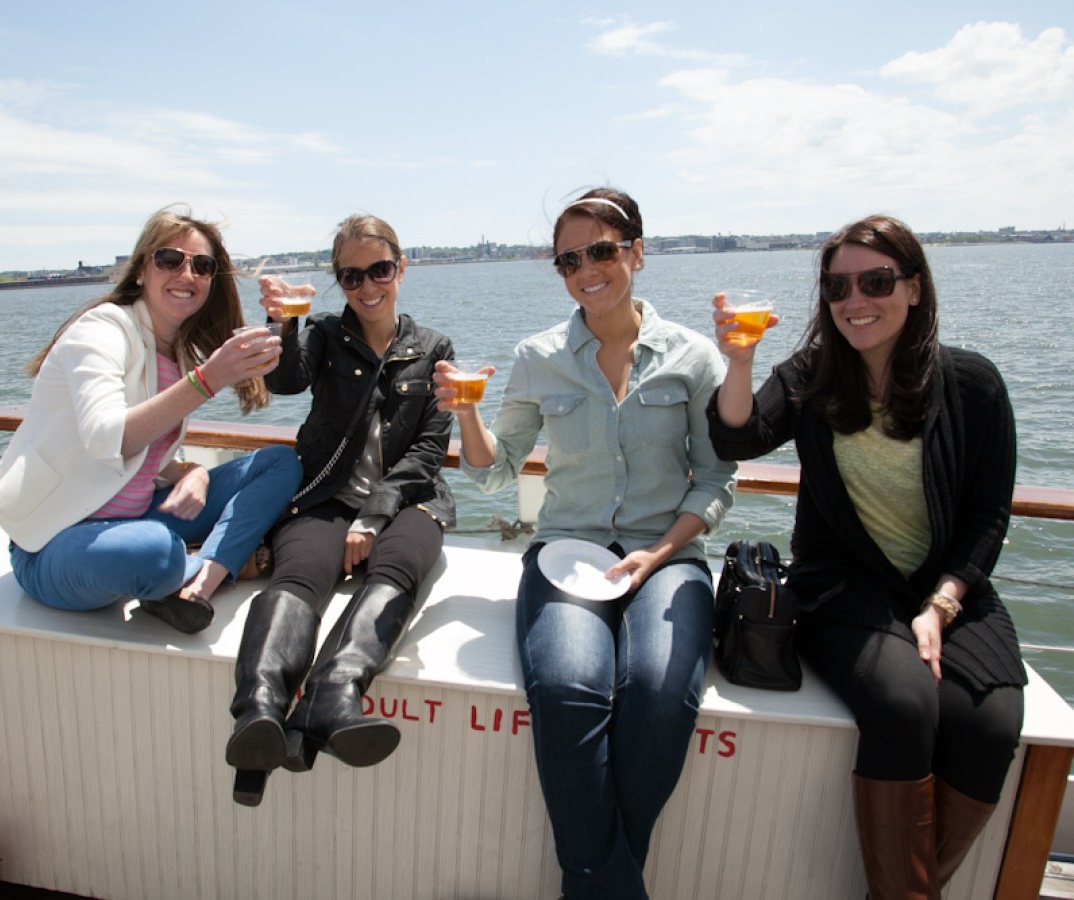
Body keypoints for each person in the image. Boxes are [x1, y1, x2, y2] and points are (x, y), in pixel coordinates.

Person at [707, 214, 1025, 899]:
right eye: (838, 287)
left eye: (876, 281)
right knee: (902, 705)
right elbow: (739, 439)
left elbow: (987, 517)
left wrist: (942, 606)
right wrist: (738, 360)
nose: (855, 300)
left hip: (947, 592)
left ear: (913, 288)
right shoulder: (813, 378)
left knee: (990, 721)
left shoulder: (973, 385)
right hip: (843, 589)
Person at [435, 188, 736, 899]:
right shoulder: (538, 357)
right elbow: (493, 472)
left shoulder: (693, 356)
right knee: (569, 687)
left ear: (635, 251)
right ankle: (612, 883)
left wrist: (660, 554)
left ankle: (595, 881)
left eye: (602, 250)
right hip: (566, 551)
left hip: (667, 554)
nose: (586, 269)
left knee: (661, 689)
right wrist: (469, 414)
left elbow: (718, 480)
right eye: (569, 259)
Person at [0, 208, 302, 634]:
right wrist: (209, 379)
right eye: (170, 260)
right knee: (153, 551)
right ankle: (195, 563)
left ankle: (200, 581)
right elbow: (106, 438)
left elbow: (147, 453)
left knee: (280, 463)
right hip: (56, 544)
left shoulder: (175, 350)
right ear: (140, 272)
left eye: (201, 266)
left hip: (137, 517)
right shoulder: (101, 331)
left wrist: (192, 472)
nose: (187, 273)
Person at [225, 213, 455, 806]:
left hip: (407, 501)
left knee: (399, 566)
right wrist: (283, 320)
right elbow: (285, 379)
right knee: (300, 574)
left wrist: (375, 516)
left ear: (401, 268)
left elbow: (429, 450)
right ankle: (259, 713)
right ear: (339, 282)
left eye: (379, 270)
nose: (368, 287)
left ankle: (334, 700)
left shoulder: (434, 349)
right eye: (351, 277)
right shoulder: (323, 334)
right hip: (327, 497)